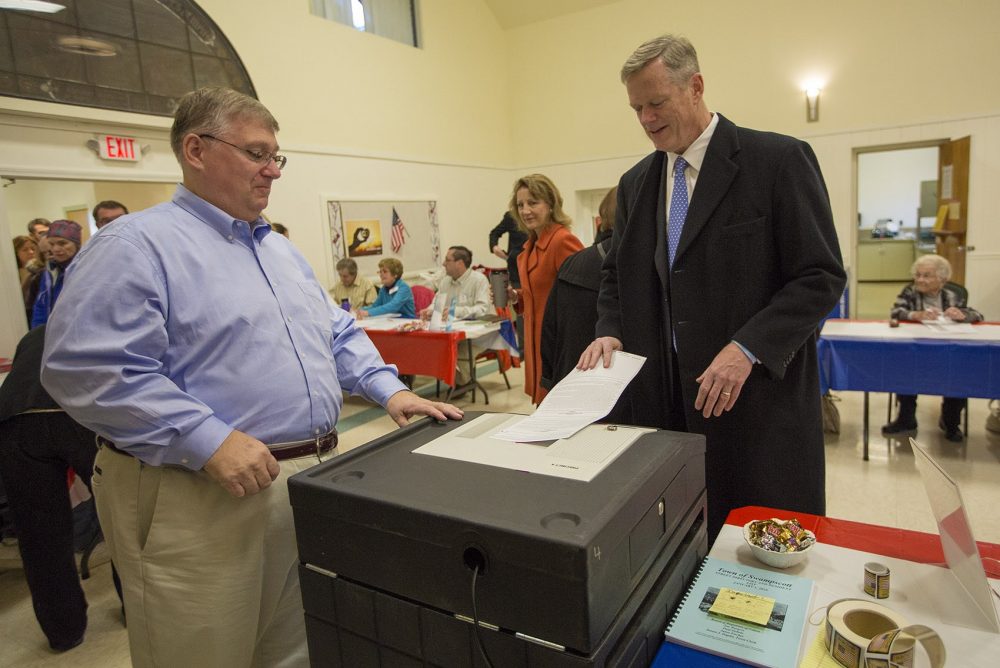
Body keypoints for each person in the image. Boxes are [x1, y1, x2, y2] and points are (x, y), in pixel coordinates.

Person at [40, 86, 463, 668]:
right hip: (197, 491)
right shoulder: (137, 245)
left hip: (302, 480)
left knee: (292, 650)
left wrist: (388, 389)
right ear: (195, 149)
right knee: (200, 651)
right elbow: (88, 367)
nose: (273, 171)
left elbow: (335, 331)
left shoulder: (278, 251)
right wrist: (206, 436)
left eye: (276, 157)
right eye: (257, 154)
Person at [578, 35, 846, 544]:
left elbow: (820, 276)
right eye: (636, 108)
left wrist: (748, 347)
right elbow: (616, 275)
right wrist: (610, 330)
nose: (646, 119)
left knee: (760, 549)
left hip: (756, 406)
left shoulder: (778, 161)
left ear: (696, 87)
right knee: (684, 540)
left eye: (656, 103)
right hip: (668, 409)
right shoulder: (637, 184)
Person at [0, 325, 122, 652]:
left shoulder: (34, 333)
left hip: (14, 421)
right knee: (121, 514)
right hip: (77, 414)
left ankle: (63, 631)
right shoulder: (93, 323)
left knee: (39, 535)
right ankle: (134, 608)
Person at [882, 254, 982, 441]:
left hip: (947, 350)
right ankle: (906, 419)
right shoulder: (910, 292)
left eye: (927, 276)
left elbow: (977, 315)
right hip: (915, 349)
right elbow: (896, 311)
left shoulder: (952, 295)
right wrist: (916, 315)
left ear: (942, 279)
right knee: (905, 370)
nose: (920, 280)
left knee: (958, 374)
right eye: (918, 275)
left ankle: (951, 422)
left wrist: (961, 315)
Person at [506, 174, 583, 405]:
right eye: (520, 205)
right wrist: (516, 296)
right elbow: (541, 292)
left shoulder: (562, 241)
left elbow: (582, 297)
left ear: (550, 204)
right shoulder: (529, 247)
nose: (526, 210)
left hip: (558, 346)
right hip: (536, 343)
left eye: (533, 202)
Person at [541, 187, 617, 392]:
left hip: (571, 373)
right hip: (617, 380)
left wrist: (549, 379)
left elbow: (550, 328)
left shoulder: (572, 261)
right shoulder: (642, 263)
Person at [30, 219, 82, 328]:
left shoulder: (86, 268)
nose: (56, 249)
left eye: (62, 243)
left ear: (76, 244)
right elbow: (41, 306)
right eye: (51, 244)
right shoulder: (50, 272)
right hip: (53, 333)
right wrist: (38, 334)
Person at [419, 246, 491, 321]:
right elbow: (437, 304)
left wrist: (456, 312)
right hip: (449, 327)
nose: (443, 264)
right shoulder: (445, 281)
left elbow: (483, 309)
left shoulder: (479, 280)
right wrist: (429, 311)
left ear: (460, 263)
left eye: (447, 260)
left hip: (475, 328)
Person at [488, 211, 528, 289]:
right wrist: (494, 247)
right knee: (516, 298)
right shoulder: (511, 216)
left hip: (537, 267)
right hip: (516, 269)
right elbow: (494, 233)